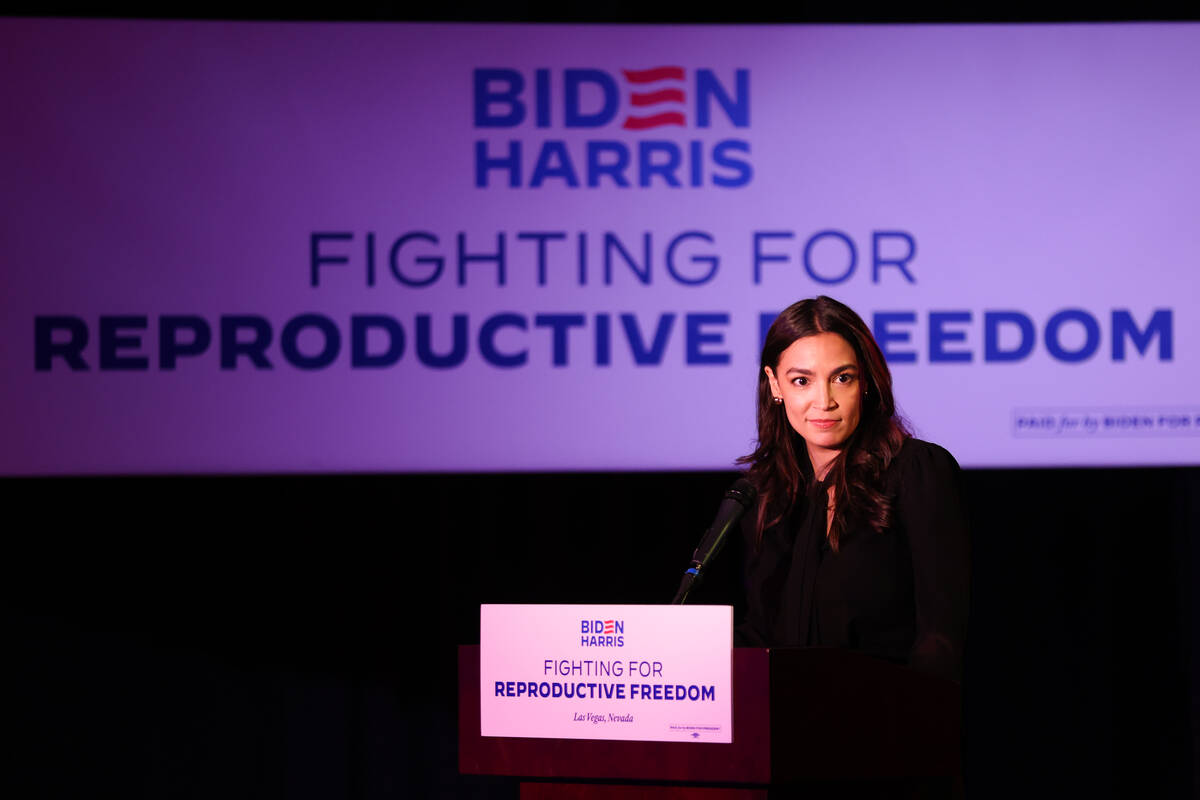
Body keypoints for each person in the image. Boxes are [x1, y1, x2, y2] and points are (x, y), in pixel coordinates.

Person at [735, 296, 969, 682]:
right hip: (788, 729)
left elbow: (940, 637)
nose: (824, 401)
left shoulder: (917, 471)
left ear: (866, 382)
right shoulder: (766, 496)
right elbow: (761, 635)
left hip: (888, 727)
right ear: (775, 385)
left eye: (842, 377)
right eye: (801, 381)